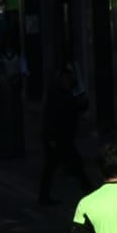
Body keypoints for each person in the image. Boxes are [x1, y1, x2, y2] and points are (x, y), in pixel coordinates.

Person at [40, 65, 93, 204]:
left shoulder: (66, 93)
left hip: (63, 136)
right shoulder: (57, 94)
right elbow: (51, 116)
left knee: (67, 165)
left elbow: (73, 109)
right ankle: (88, 189)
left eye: (69, 78)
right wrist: (51, 137)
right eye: (65, 78)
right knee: (63, 165)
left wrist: (82, 102)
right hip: (58, 137)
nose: (68, 81)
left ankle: (87, 189)